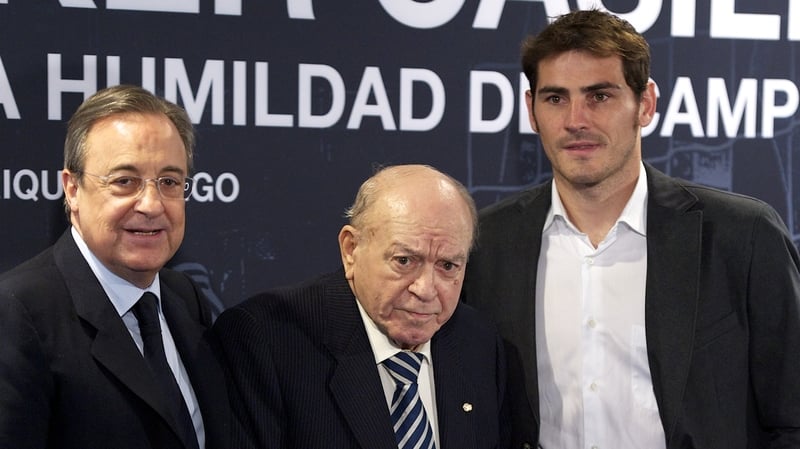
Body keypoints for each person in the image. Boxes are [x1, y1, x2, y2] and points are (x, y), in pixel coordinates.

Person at [462, 9, 800, 449]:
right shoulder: (487, 245)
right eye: (555, 98)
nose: (575, 120)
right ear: (531, 109)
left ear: (645, 104)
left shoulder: (743, 236)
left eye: (599, 96)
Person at [212, 164, 508, 449]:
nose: (426, 289)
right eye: (404, 260)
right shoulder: (267, 341)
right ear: (351, 249)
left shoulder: (478, 342)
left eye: (447, 265)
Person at [0, 85, 229, 449]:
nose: (152, 204)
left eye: (169, 182)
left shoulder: (183, 297)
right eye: (125, 181)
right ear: (72, 189)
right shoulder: (17, 313)